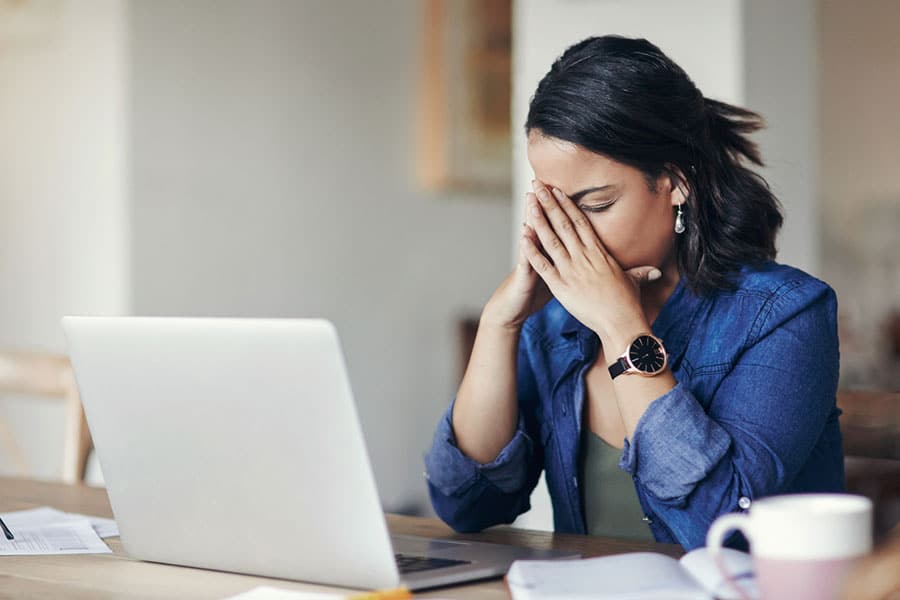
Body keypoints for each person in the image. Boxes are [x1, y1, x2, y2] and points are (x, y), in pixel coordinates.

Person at [423, 35, 844, 550]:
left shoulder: (785, 315)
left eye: (596, 204)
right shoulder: (554, 324)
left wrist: (622, 327)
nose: (573, 233)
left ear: (675, 182)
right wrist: (500, 324)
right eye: (556, 206)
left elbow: (718, 532)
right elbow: (466, 504)